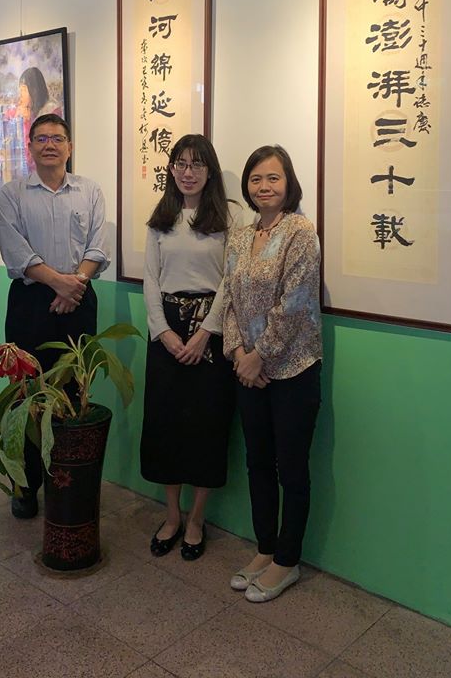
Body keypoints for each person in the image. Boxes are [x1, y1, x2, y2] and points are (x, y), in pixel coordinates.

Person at [0, 113, 109, 518]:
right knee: (27, 392)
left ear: (69, 147)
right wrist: (61, 284)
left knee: (74, 390)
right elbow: (16, 252)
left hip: (79, 298)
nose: (49, 145)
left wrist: (73, 285)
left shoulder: (90, 191)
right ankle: (26, 484)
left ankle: (67, 479)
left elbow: (98, 247)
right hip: (31, 303)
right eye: (41, 138)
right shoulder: (11, 194)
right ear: (30, 147)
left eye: (57, 138)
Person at [222, 145, 322, 602]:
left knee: (292, 468)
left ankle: (287, 560)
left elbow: (295, 303)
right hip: (249, 371)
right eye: (256, 179)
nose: (264, 186)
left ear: (288, 183)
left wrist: (259, 355)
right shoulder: (240, 237)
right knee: (257, 462)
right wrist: (238, 352)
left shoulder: (301, 232)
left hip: (294, 370)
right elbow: (229, 299)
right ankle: (265, 548)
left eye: (273, 178)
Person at [140, 134, 236, 561]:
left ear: (209, 171)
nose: (188, 172)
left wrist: (205, 333)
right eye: (180, 163)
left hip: (210, 330)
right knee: (165, 424)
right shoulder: (161, 218)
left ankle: (197, 518)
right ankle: (172, 515)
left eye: (197, 164)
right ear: (171, 169)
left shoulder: (229, 217)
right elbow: (150, 279)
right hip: (167, 328)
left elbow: (231, 280)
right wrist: (163, 332)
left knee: (206, 425)